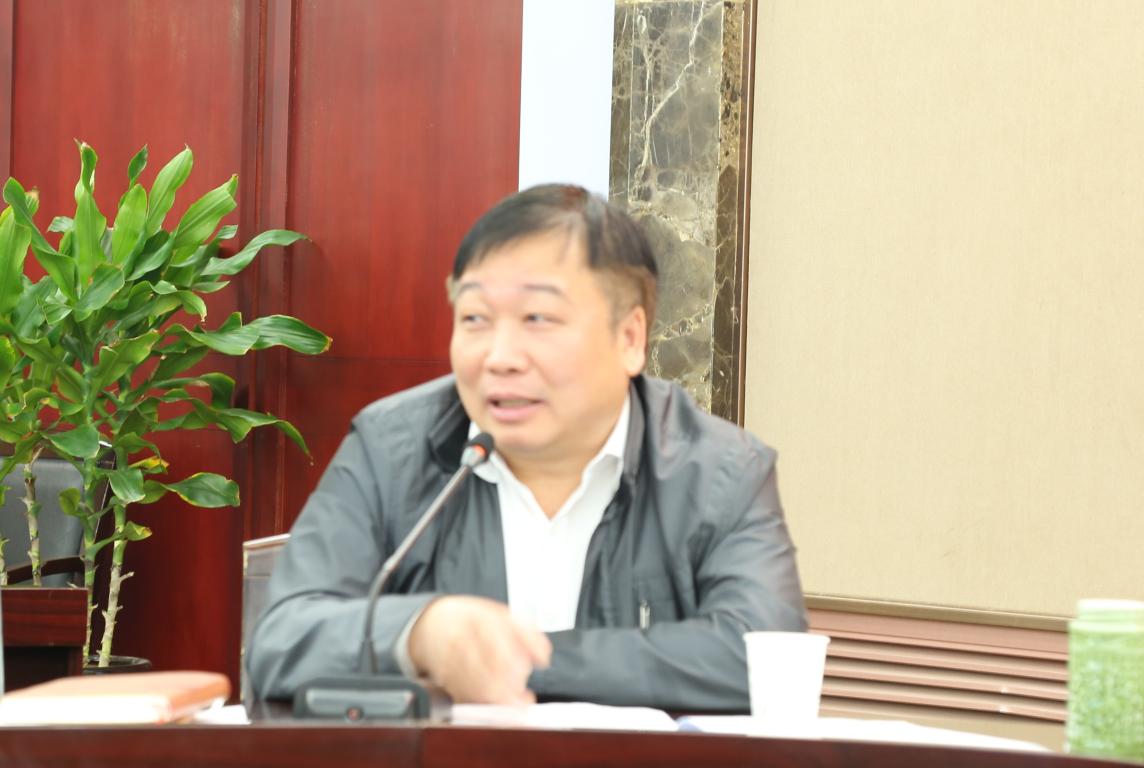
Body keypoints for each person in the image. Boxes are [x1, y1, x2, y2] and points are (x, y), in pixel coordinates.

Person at [248, 184, 806, 711]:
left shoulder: (720, 472)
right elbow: (279, 640)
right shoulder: (391, 449)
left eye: (538, 318)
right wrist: (419, 632)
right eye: (475, 319)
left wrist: (509, 660)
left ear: (630, 338)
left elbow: (763, 657)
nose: (500, 357)